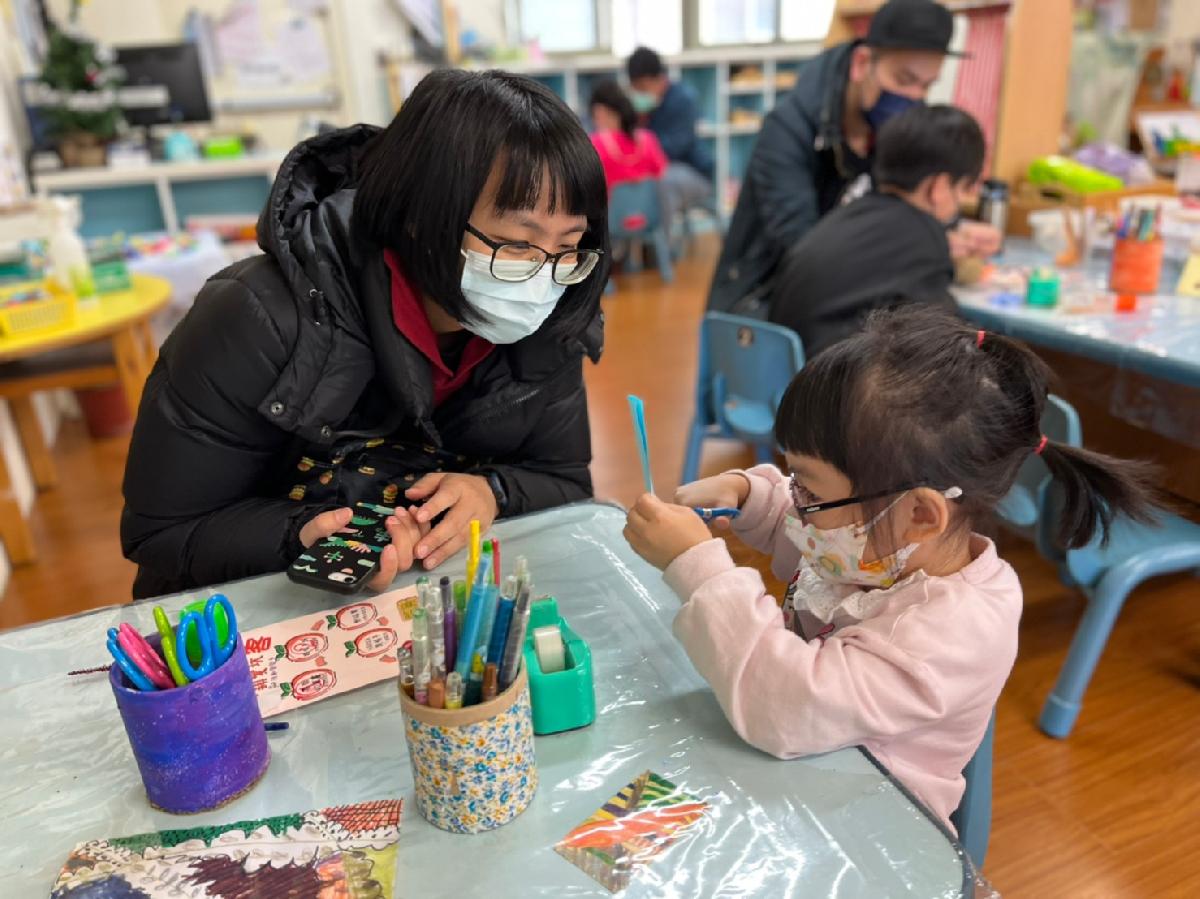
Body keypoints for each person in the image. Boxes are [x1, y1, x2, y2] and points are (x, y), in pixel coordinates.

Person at [622, 306, 1158, 828]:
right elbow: (805, 530)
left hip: (869, 829)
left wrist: (698, 567)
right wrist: (748, 494)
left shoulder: (952, 628)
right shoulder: (876, 544)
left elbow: (783, 707)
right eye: (793, 478)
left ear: (920, 513)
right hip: (796, 768)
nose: (796, 501)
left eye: (809, 489)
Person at [121, 70, 610, 599]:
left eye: (568, 246)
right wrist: (299, 534)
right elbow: (164, 531)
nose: (543, 276)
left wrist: (492, 491)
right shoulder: (256, 318)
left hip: (425, 605)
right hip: (251, 611)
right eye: (516, 243)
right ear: (422, 216)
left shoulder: (553, 317)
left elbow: (565, 481)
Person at [707, 0, 1000, 315]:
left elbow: (906, 203)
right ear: (862, 63)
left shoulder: (888, 132)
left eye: (926, 86)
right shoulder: (788, 130)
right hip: (764, 304)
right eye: (903, 80)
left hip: (842, 295)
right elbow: (803, 248)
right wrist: (919, 247)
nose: (915, 97)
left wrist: (951, 229)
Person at [769, 104, 985, 357]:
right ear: (938, 187)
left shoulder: (849, 214)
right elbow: (945, 340)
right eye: (963, 189)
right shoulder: (923, 236)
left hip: (779, 369)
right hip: (829, 375)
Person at [626, 46, 715, 229]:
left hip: (693, 173)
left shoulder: (683, 99)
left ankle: (660, 245)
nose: (640, 94)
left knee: (662, 183)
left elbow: (672, 149)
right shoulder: (639, 108)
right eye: (636, 89)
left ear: (660, 79)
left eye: (643, 87)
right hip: (656, 171)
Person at [588, 79, 668, 190]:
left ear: (600, 112)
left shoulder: (595, 144)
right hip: (647, 201)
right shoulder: (647, 139)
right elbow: (663, 176)